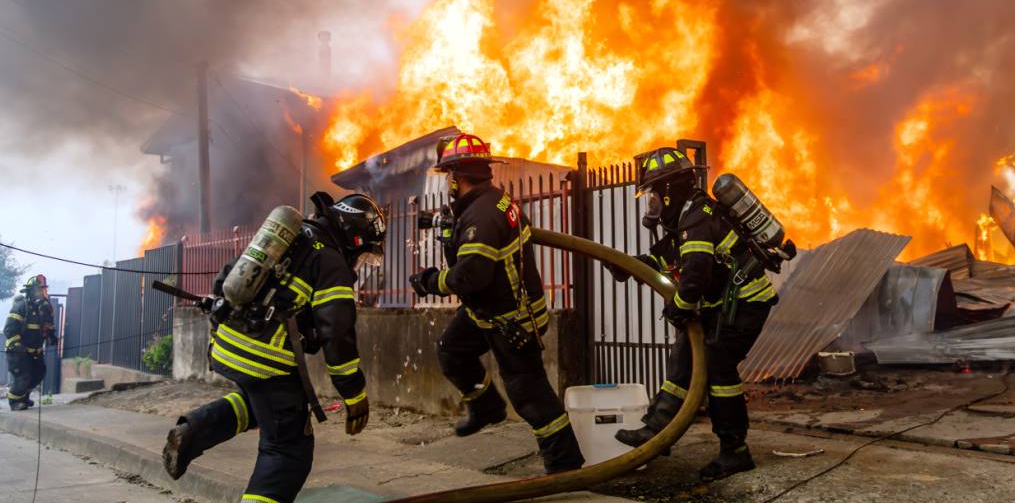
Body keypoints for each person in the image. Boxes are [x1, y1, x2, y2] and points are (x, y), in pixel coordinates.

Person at [162, 193, 386, 503]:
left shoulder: (291, 237)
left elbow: (227, 276)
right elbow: (337, 334)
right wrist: (354, 393)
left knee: (264, 405)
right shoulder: (332, 262)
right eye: (363, 254)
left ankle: (194, 431)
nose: (359, 263)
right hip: (265, 360)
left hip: (227, 345)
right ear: (354, 236)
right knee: (289, 449)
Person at [409, 133, 585, 474]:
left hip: (512, 320)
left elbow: (470, 277)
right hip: (485, 312)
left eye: (449, 178)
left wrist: (430, 281)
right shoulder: (493, 202)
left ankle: (565, 467)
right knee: (451, 349)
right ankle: (486, 406)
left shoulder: (482, 216)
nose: (449, 185)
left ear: (458, 177)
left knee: (530, 396)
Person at [612, 147, 778, 481]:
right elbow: (666, 258)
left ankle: (735, 451)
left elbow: (696, 275)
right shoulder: (685, 217)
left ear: (670, 190)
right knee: (684, 356)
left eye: (654, 194)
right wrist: (628, 266)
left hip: (746, 303)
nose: (652, 203)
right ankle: (657, 431)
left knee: (718, 367)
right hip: (724, 306)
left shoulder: (698, 217)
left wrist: (680, 308)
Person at [4, 274, 57, 411]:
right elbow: (9, 329)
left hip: (35, 351)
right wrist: (17, 345)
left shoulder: (42, 309)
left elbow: (47, 325)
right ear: (31, 291)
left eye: (43, 289)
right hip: (18, 352)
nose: (42, 293)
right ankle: (14, 401)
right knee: (23, 376)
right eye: (39, 290)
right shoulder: (22, 306)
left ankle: (23, 397)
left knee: (38, 373)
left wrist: (51, 335)